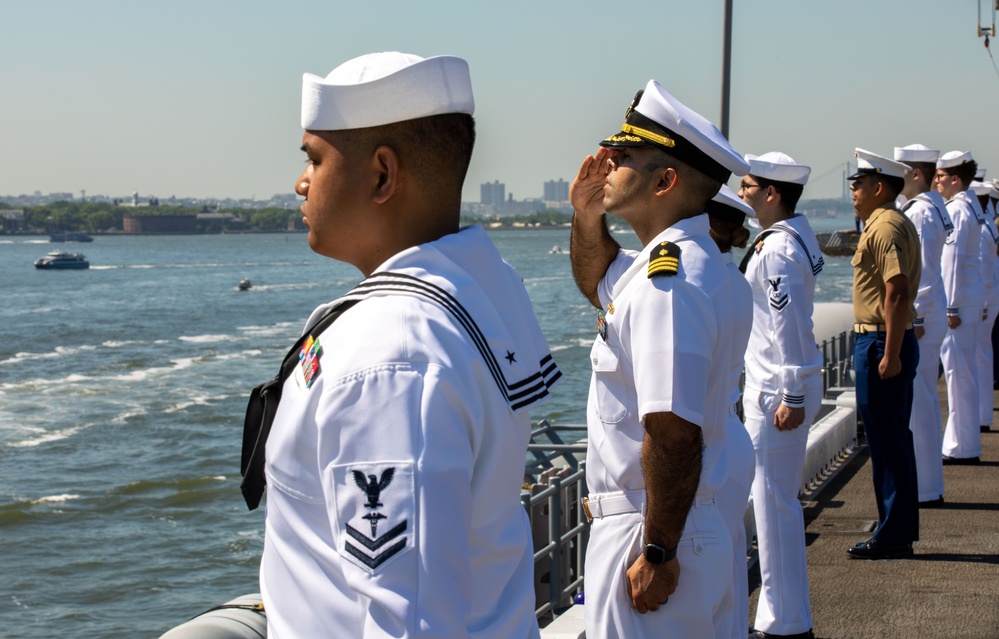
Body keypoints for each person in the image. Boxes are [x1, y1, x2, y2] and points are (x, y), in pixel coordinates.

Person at [256, 52, 561, 638]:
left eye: (314, 159)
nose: (301, 181)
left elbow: (412, 620)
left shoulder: (388, 355)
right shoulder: (478, 287)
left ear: (381, 175)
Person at [569, 79, 749, 639]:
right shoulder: (692, 265)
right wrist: (585, 214)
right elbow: (598, 281)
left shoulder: (665, 284)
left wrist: (658, 551)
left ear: (665, 180)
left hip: (653, 532)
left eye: (624, 158)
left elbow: (672, 432)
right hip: (687, 524)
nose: (609, 166)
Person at [738, 152, 822, 639]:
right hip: (778, 386)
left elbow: (786, 322)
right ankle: (783, 616)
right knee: (776, 506)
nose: (743, 192)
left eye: (749, 186)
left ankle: (786, 623)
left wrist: (790, 392)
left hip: (776, 391)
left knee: (774, 510)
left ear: (772, 193)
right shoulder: (791, 237)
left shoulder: (775, 251)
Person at [846, 148, 921, 560]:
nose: (853, 190)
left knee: (888, 442)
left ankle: (893, 534)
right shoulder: (888, 222)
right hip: (883, 339)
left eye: (858, 183)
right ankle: (895, 527)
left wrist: (890, 353)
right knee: (890, 439)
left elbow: (896, 290)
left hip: (880, 341)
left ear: (878, 187)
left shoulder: (885, 228)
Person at [706, 185, 757, 639]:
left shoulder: (701, 282)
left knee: (711, 590)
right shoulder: (732, 280)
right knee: (730, 581)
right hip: (731, 435)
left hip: (713, 447)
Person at [893, 144, 953, 507]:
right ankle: (927, 484)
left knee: (918, 403)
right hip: (929, 313)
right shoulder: (932, 207)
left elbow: (923, 273)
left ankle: (925, 487)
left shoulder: (919, 213)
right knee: (923, 401)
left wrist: (912, 319)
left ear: (916, 174)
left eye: (902, 170)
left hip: (923, 317)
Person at [937, 150, 987, 464]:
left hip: (960, 301)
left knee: (957, 375)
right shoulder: (971, 207)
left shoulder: (956, 210)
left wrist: (950, 307)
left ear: (955, 179)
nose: (937, 181)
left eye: (941, 176)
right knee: (964, 373)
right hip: (971, 297)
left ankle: (960, 447)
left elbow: (951, 262)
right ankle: (965, 442)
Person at [972, 177, 999, 433]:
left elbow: (980, 270)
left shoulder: (981, 227)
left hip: (984, 300)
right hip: (988, 299)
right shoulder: (988, 224)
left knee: (975, 361)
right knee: (982, 357)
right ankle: (982, 416)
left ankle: (980, 418)